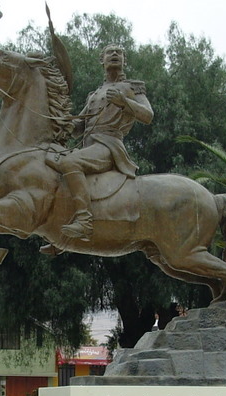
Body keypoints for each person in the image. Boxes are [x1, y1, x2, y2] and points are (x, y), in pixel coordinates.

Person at [45, 44, 153, 247]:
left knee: (69, 163)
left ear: (124, 60)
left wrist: (124, 103)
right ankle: (61, 228)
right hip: (88, 146)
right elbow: (81, 126)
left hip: (109, 146)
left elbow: (148, 115)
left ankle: (84, 221)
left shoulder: (132, 87)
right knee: (51, 164)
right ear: (101, 60)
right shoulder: (95, 94)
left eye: (119, 52)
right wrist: (63, 124)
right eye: (109, 52)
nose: (114, 54)